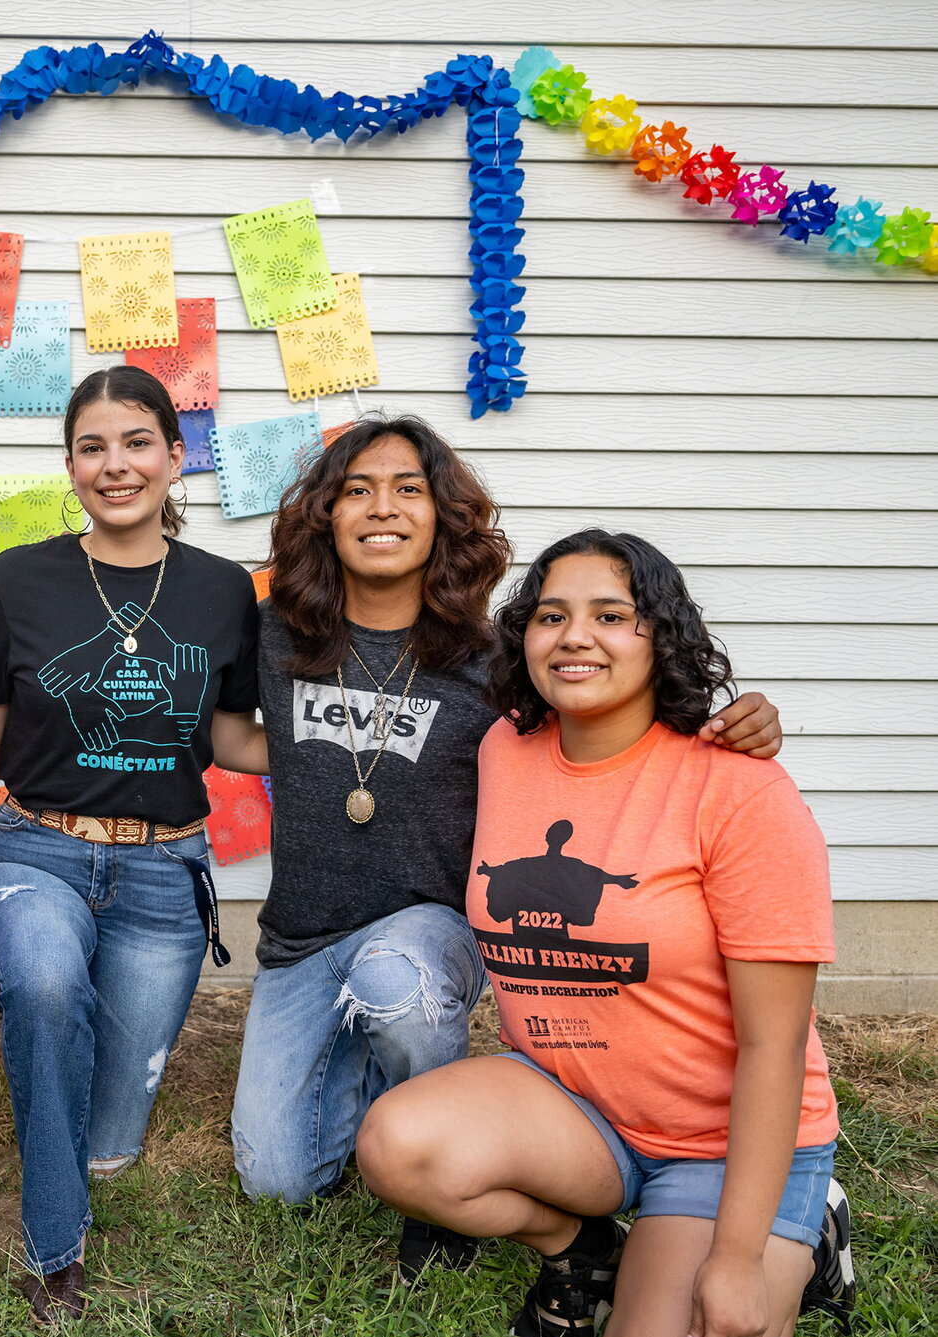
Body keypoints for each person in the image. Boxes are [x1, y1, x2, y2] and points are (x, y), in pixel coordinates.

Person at [228, 417, 784, 1282]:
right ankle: (365, 1082)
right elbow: (222, 718)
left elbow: (608, 724)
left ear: (444, 517)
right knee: (278, 1179)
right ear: (325, 515)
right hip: (301, 935)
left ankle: (435, 1167)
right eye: (357, 489)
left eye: (410, 488)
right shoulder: (274, 632)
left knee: (395, 981)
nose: (384, 508)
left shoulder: (495, 659)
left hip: (428, 934)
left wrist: (731, 723)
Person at [355, 529, 857, 1337]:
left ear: (661, 635)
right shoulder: (504, 748)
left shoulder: (739, 788)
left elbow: (776, 1044)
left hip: (717, 1148)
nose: (575, 635)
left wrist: (733, 1259)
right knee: (398, 1144)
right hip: (578, 1112)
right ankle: (583, 1245)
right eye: (551, 614)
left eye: (612, 614)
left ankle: (808, 1223)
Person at [0, 366, 266, 1322]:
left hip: (166, 867)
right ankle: (54, 1247)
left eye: (136, 443)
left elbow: (233, 735)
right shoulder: (23, 577)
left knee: (108, 1138)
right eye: (92, 447)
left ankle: (75, 1148)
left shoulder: (221, 591)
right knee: (43, 985)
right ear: (70, 464)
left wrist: (337, 735)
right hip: (32, 848)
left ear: (174, 456)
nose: (115, 465)